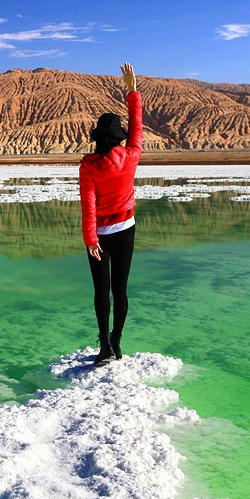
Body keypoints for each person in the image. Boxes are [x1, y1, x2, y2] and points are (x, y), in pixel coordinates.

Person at [80, 62, 143, 366]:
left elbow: (88, 205)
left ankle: (104, 345)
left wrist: (91, 239)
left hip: (100, 236)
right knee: (121, 288)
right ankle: (117, 341)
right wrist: (132, 90)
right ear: (119, 138)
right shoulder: (132, 156)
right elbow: (138, 127)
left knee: (101, 292)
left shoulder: (89, 166)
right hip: (126, 229)